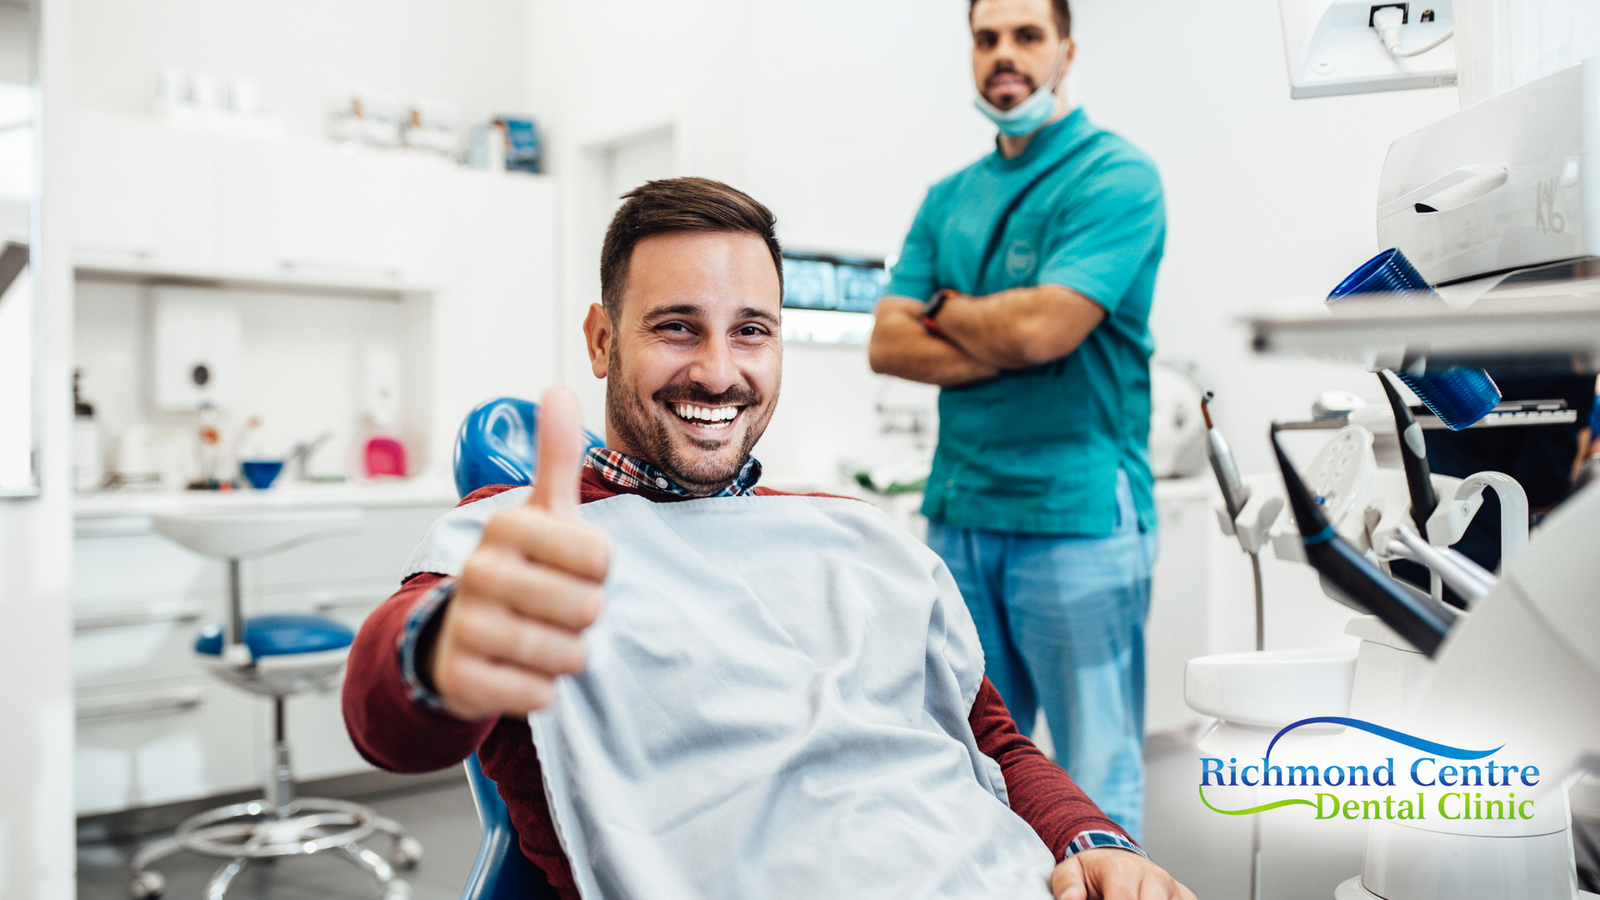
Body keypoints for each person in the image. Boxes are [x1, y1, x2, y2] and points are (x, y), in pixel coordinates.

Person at [343, 177, 1193, 900]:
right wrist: (443, 650)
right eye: (676, 327)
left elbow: (991, 742)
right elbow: (385, 714)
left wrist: (1090, 838)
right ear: (602, 341)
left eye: (750, 330)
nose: (718, 371)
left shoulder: (861, 538)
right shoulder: (521, 542)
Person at [866, 0, 1165, 841]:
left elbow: (1048, 328)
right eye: (987, 37)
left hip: (1077, 517)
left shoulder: (1115, 176)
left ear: (1065, 50)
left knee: (1092, 770)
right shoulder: (948, 196)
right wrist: (1017, 336)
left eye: (1026, 36)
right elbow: (887, 344)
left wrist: (950, 310)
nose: (1005, 54)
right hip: (960, 512)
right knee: (965, 759)